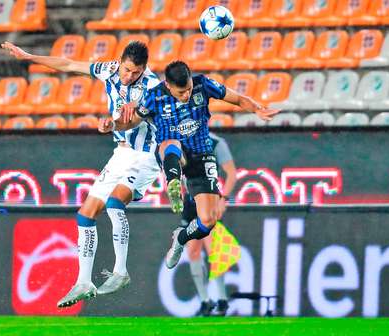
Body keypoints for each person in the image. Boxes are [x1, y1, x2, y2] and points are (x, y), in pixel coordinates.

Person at [1, 41, 161, 307]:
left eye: (136, 72)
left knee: (114, 203)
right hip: (121, 153)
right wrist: (30, 56)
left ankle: (120, 272)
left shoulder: (152, 87)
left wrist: (113, 122)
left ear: (145, 69)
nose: (130, 76)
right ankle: (84, 282)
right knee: (85, 214)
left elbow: (134, 120)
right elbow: (69, 64)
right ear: (120, 61)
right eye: (127, 70)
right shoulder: (109, 70)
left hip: (146, 155)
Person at [108, 61, 279, 270]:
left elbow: (238, 98)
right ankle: (174, 183)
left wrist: (257, 109)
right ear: (168, 86)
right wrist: (113, 124)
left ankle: (180, 238)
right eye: (181, 92)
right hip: (171, 151)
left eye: (188, 89)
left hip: (202, 154)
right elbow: (132, 121)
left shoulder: (203, 84)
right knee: (171, 144)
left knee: (208, 220)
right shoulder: (154, 96)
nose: (187, 95)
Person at [182, 132, 236, 317]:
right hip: (190, 203)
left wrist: (224, 199)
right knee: (193, 251)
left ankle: (222, 299)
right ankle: (205, 301)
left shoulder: (215, 142)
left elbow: (231, 173)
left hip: (209, 199)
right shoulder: (179, 141)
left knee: (213, 249)